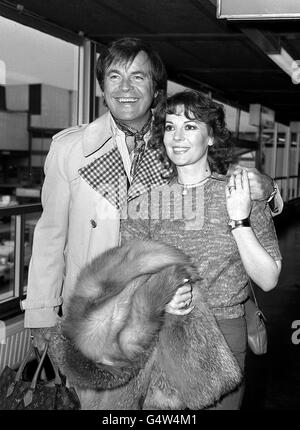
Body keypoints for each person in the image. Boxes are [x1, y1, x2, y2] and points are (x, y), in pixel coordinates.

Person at [22, 38, 281, 349]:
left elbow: (219, 191)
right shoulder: (70, 149)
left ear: (157, 89)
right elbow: (50, 235)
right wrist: (42, 314)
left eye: (138, 76)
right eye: (114, 76)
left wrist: (270, 190)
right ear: (103, 88)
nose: (125, 87)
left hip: (159, 316)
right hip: (95, 312)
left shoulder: (175, 144)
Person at [121, 90, 282, 409]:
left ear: (211, 137)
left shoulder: (241, 194)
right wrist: (160, 296)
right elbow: (128, 279)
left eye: (190, 127)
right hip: (163, 334)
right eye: (170, 127)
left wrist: (240, 222)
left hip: (224, 334)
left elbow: (268, 279)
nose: (177, 137)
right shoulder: (145, 204)